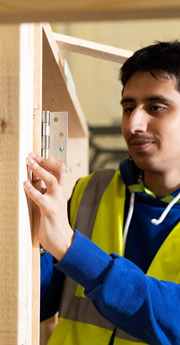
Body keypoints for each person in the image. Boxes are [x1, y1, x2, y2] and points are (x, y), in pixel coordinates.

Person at [24, 40, 180, 345]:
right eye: (128, 107)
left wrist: (72, 248)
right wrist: (36, 238)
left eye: (156, 107)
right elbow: (40, 305)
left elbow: (173, 317)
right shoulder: (90, 190)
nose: (134, 123)